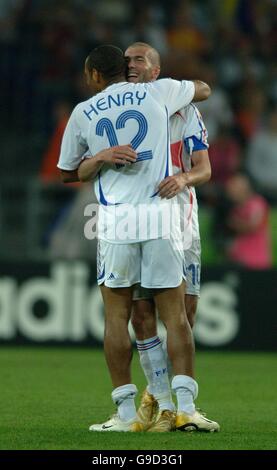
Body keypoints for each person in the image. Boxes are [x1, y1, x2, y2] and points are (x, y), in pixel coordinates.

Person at [58, 44, 211, 432]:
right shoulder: (159, 94)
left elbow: (67, 174)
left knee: (117, 316)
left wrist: (101, 157)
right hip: (159, 215)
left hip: (115, 221)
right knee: (173, 315)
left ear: (94, 74)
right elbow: (203, 87)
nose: (134, 65)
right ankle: (181, 405)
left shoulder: (82, 112)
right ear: (120, 69)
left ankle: (127, 414)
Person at [124, 42, 220, 432]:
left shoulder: (184, 111)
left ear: (157, 72)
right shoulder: (121, 111)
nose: (130, 65)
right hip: (134, 219)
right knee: (141, 313)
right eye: (126, 60)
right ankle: (169, 401)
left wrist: (183, 177)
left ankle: (161, 395)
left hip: (180, 218)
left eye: (139, 59)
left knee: (185, 313)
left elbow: (204, 169)